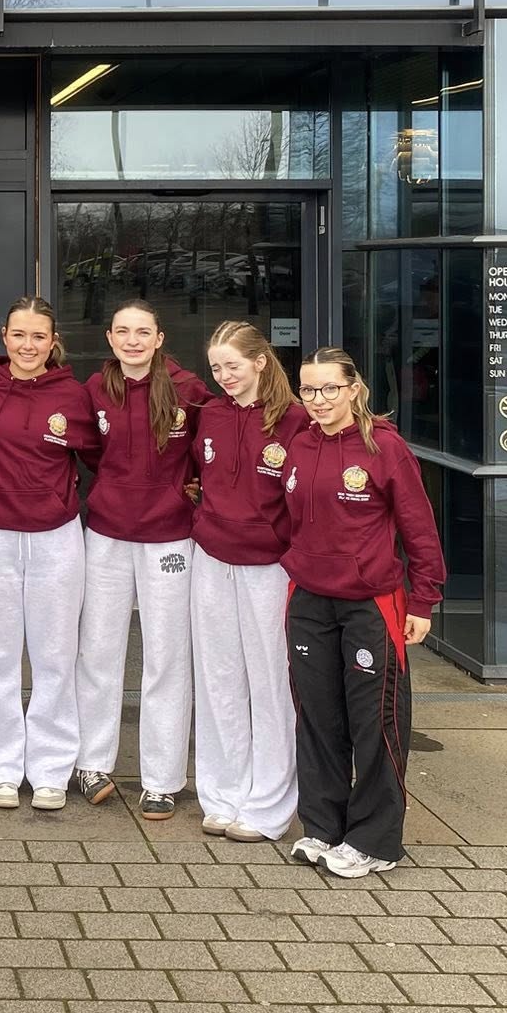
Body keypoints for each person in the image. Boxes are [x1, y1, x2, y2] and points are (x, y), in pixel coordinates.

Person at [283, 347, 446, 880]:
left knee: (375, 721)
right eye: (309, 390)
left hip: (370, 603)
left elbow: (419, 527)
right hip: (309, 599)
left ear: (353, 388)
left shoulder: (386, 447)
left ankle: (375, 842)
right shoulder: (299, 443)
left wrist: (423, 598)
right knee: (318, 717)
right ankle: (323, 828)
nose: (320, 400)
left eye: (330, 388)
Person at [72, 299, 213, 816]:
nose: (132, 341)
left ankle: (162, 777)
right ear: (110, 338)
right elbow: (90, 452)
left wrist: (184, 493)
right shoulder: (95, 390)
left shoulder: (189, 390)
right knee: (98, 650)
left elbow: (204, 452)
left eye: (143, 332)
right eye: (123, 332)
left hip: (170, 539)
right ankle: (91, 762)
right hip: (107, 534)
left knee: (166, 657)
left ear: (159, 339)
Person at [0, 296, 100, 811]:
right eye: (19, 335)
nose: (28, 346)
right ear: (4, 336)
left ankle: (50, 769)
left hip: (56, 537)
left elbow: (99, 458)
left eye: (38, 337)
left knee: (54, 656)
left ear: (53, 341)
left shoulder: (73, 395)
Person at [190, 320, 307, 844]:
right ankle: (221, 793)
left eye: (232, 366)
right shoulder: (210, 415)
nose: (223, 377)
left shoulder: (296, 420)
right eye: (215, 368)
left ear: (261, 361)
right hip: (213, 557)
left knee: (270, 683)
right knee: (218, 680)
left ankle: (269, 805)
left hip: (269, 566)